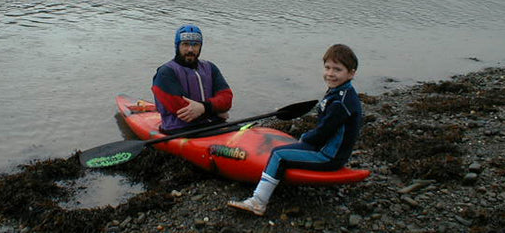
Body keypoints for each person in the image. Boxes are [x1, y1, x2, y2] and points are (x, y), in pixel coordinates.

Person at [228, 44, 363, 216]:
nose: (330, 73)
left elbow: (323, 133)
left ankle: (258, 202)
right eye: (327, 67)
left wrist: (305, 139)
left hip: (329, 157)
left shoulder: (340, 102)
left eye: (337, 69)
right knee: (289, 148)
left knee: (278, 154)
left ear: (351, 73)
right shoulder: (341, 92)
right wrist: (308, 140)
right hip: (331, 151)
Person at [151, 24, 233, 134]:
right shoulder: (165, 73)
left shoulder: (210, 67)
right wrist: (216, 110)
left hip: (214, 125)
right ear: (177, 46)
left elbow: (227, 99)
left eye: (195, 45)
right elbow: (182, 111)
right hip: (180, 130)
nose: (190, 49)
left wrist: (204, 108)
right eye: (185, 44)